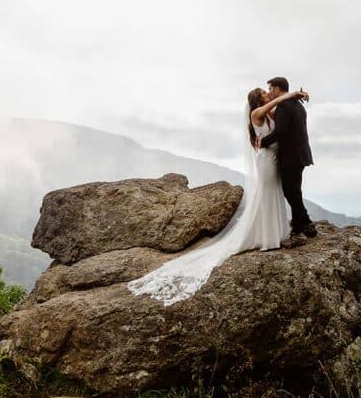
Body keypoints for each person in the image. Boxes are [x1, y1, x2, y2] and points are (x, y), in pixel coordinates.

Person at [126, 84, 309, 305]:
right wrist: (293, 95)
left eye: (269, 91)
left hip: (274, 160)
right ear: (257, 100)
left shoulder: (269, 113)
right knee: (266, 193)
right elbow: (278, 103)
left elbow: (282, 120)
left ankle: (273, 233)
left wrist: (296, 98)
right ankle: (267, 237)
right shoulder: (257, 112)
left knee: (272, 194)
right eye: (264, 93)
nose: (267, 94)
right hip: (267, 163)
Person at [257, 76, 315, 237]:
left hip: (291, 155)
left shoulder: (284, 106)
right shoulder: (298, 105)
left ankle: (307, 223)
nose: (269, 92)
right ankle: (298, 225)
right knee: (294, 190)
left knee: (290, 191)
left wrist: (262, 142)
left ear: (276, 89)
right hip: (301, 153)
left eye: (270, 89)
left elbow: (280, 132)